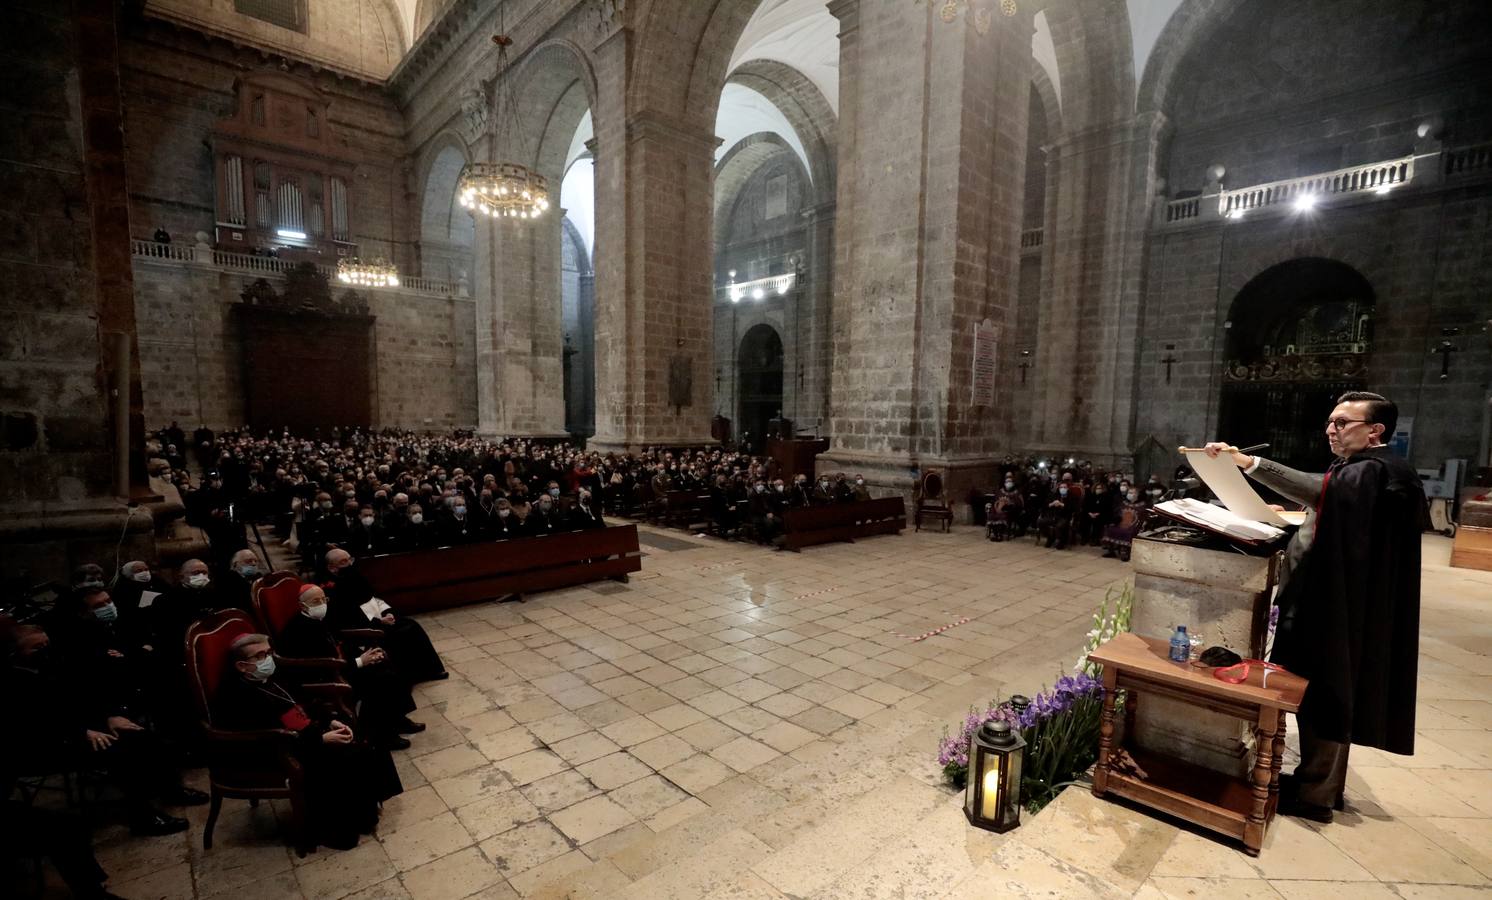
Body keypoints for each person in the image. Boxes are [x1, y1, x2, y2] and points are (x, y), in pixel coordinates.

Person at [1203, 391, 1427, 823]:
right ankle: (1318, 784)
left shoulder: (1376, 471)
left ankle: (1315, 795)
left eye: (1342, 422)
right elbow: (1332, 514)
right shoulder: (1360, 470)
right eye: (1330, 422)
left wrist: (1248, 463)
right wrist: (1291, 516)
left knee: (1327, 693)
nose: (1331, 429)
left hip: (1338, 606)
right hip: (1333, 597)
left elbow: (1320, 491)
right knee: (1321, 693)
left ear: (1375, 430)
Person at [3, 625, 202, 836]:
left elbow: (81, 699)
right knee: (122, 752)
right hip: (47, 744)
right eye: (36, 648)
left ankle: (170, 789)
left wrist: (108, 718)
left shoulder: (51, 665)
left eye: (46, 644)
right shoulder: (12, 683)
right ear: (15, 653)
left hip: (78, 727)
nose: (44, 650)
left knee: (140, 734)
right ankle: (143, 817)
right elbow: (34, 724)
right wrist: (82, 732)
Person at [213, 633, 402, 850]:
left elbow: (303, 701)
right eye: (260, 655)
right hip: (270, 749)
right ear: (241, 666)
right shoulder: (235, 695)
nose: (268, 659)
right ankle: (341, 827)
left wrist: (329, 720)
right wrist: (320, 739)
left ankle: (366, 810)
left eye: (269, 652)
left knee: (365, 736)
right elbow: (266, 734)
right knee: (343, 755)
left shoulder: (273, 676)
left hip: (301, 733)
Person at [275, 586, 419, 750]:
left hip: (342, 665)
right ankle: (382, 736)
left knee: (390, 664)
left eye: (324, 599)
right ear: (302, 606)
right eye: (316, 601)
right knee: (380, 679)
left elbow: (340, 640)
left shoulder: (323, 619)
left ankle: (398, 719)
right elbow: (321, 662)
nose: (322, 604)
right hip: (325, 675)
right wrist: (359, 662)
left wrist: (364, 653)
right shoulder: (297, 629)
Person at [323, 549, 446, 682]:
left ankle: (429, 671)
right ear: (332, 568)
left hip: (380, 619)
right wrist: (379, 621)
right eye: (343, 562)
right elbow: (347, 617)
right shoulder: (332, 590)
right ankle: (410, 676)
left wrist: (388, 612)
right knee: (402, 633)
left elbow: (374, 598)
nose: (349, 564)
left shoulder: (356, 577)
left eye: (349, 559)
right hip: (365, 628)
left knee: (411, 625)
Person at [1101, 486, 1148, 561]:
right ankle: (1111, 551)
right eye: (1129, 492)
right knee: (1109, 528)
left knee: (1129, 532)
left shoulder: (1142, 505)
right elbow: (1117, 514)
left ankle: (1125, 552)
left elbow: (1142, 519)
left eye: (1132, 493)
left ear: (1137, 494)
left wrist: (1138, 527)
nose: (1130, 494)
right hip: (1121, 523)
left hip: (1134, 526)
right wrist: (1114, 521)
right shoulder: (1123, 503)